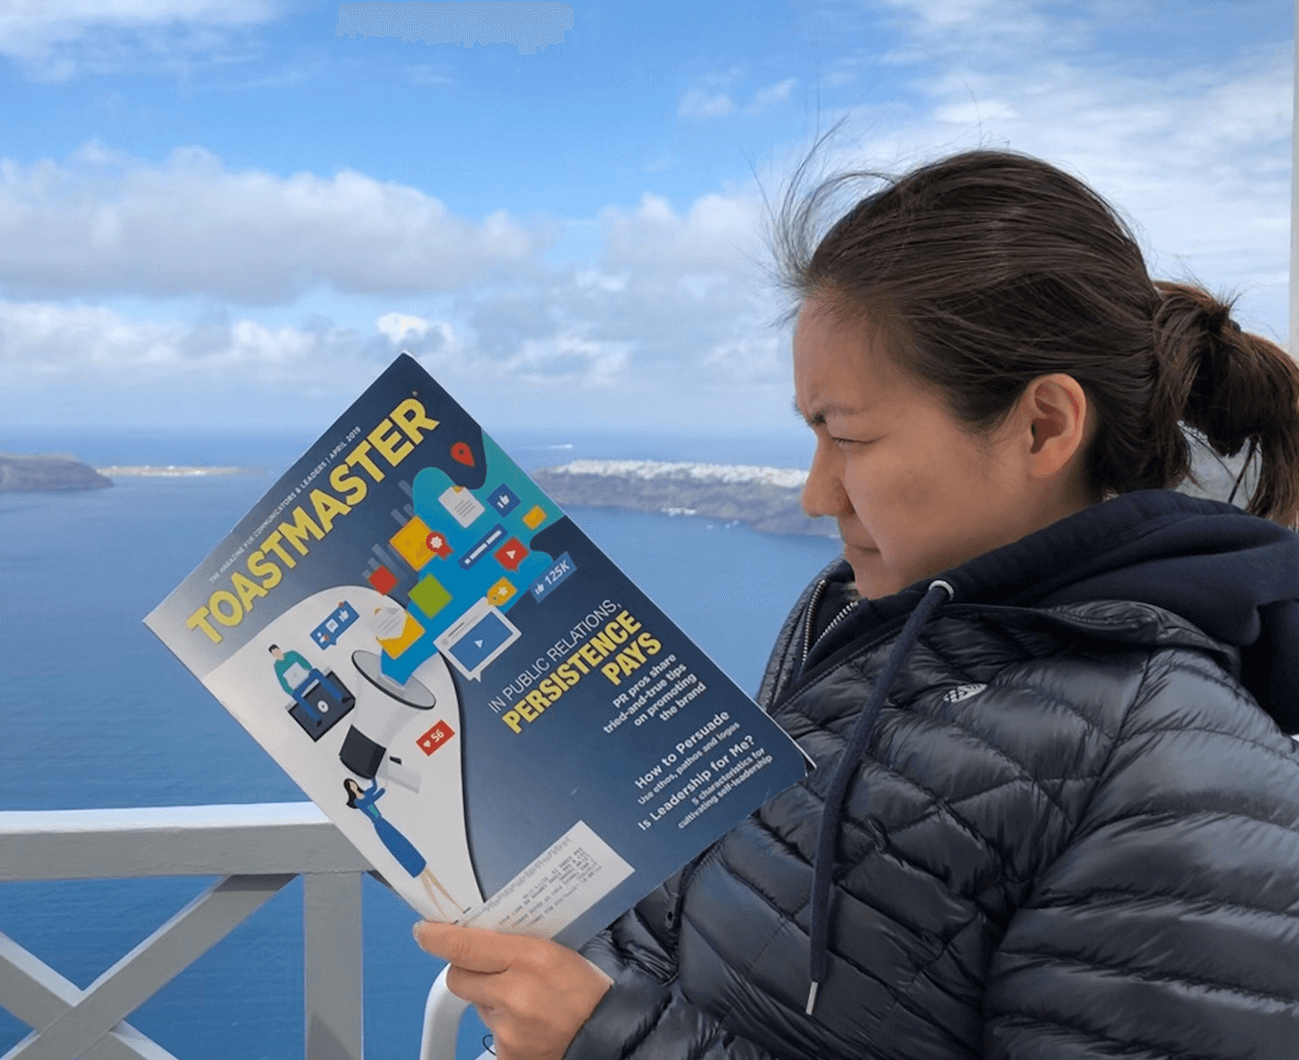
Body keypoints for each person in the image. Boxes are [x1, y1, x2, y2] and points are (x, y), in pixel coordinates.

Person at [415, 149, 1299, 1060]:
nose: (814, 493)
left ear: (1043, 427)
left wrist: (607, 1040)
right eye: (812, 434)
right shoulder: (875, 623)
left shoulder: (1170, 777)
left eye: (848, 437)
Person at [343, 776, 463, 919]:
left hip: (385, 824)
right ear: (349, 789)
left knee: (423, 868)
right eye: (351, 786)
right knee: (418, 872)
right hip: (381, 827)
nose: (354, 786)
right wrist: (382, 788)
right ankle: (442, 911)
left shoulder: (365, 794)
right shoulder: (358, 801)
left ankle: (454, 904)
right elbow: (372, 798)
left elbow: (374, 789)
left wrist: (374, 778)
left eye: (354, 784)